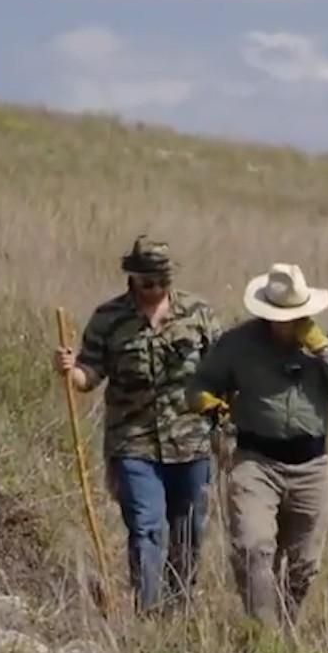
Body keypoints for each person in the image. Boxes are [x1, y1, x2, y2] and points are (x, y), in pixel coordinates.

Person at [185, 262, 328, 638]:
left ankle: (286, 629)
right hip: (255, 461)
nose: (286, 322)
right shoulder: (237, 344)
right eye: (279, 315)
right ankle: (263, 636)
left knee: (304, 564)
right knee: (253, 548)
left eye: (294, 315)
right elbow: (200, 384)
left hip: (311, 466)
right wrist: (210, 404)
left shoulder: (327, 342)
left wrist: (323, 351)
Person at [54, 235, 225, 617]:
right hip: (134, 443)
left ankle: (177, 612)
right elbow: (89, 375)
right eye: (147, 282)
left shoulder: (198, 314)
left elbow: (222, 371)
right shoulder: (109, 319)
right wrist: (71, 371)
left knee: (188, 533)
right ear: (132, 278)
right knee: (147, 527)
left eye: (162, 281)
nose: (155, 289)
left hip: (191, 443)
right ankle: (146, 612)